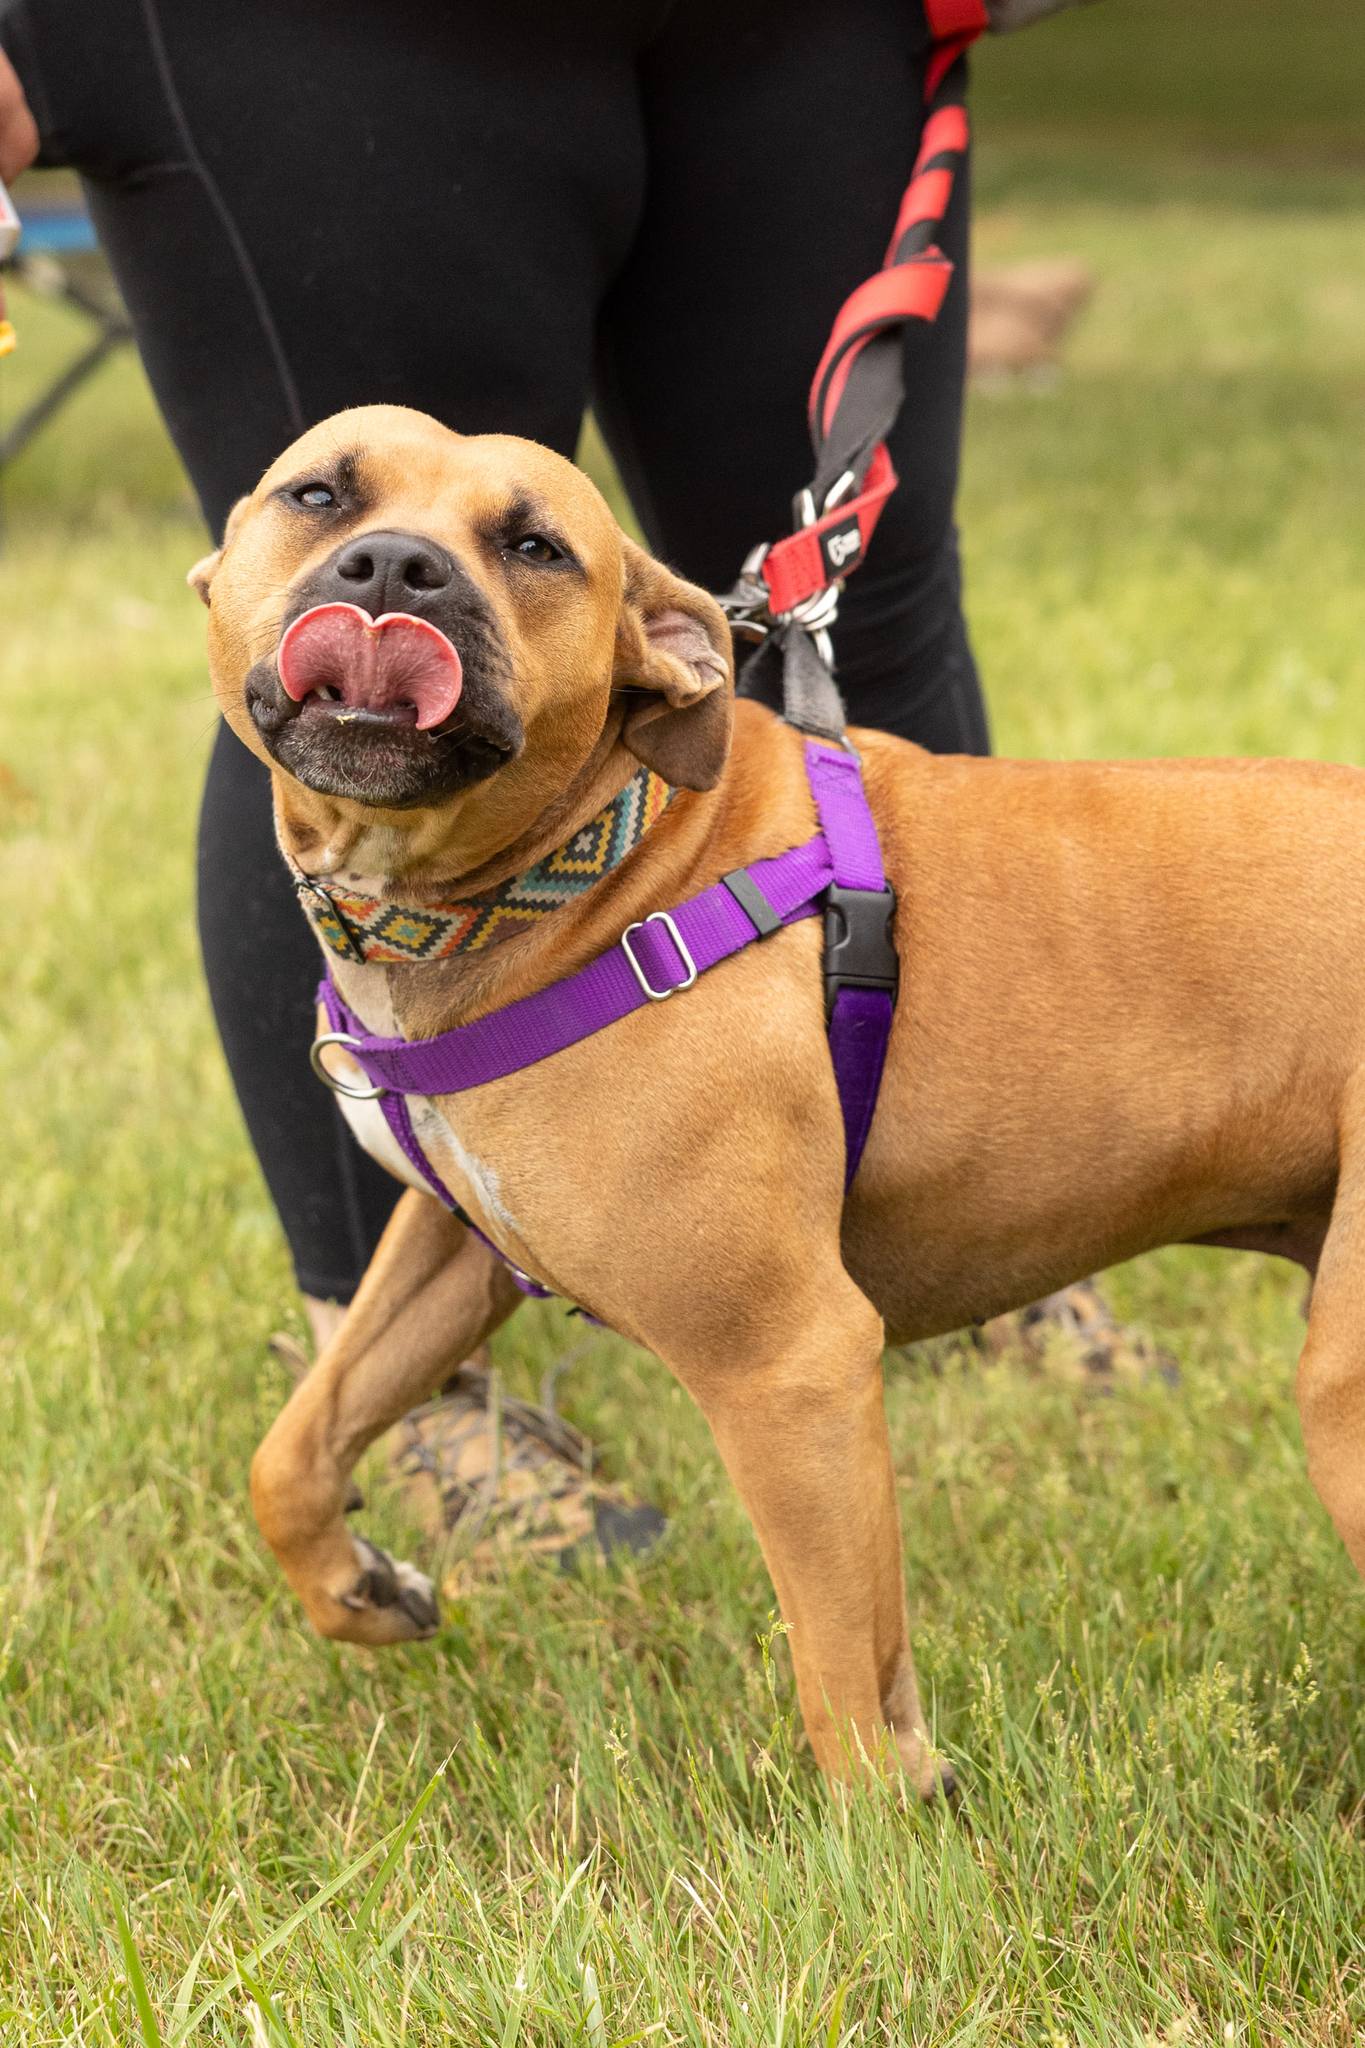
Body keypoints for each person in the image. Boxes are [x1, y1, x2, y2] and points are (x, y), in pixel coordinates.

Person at [0, 0, 1105, 1562]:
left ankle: (982, 1210)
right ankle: (387, 1381)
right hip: (313, 42)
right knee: (353, 663)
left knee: (852, 602)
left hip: (797, 32)